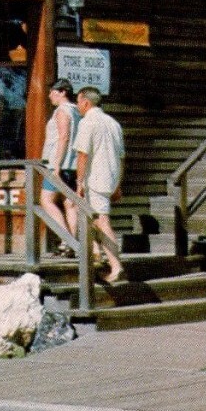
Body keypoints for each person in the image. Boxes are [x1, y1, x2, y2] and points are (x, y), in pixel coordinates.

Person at [72, 86, 127, 283]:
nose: (77, 106)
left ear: (86, 102)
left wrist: (79, 182)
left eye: (78, 102)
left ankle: (116, 266)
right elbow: (121, 158)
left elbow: (82, 154)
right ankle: (96, 253)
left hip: (95, 179)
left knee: (102, 221)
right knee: (90, 218)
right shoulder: (113, 123)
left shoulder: (88, 122)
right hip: (110, 178)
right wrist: (118, 183)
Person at [39, 78, 81, 253]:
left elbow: (64, 137)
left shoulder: (62, 111)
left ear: (63, 92)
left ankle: (67, 240)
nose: (50, 95)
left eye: (53, 92)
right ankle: (72, 244)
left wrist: (56, 165)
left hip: (60, 165)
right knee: (69, 203)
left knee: (46, 200)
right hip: (73, 165)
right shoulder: (78, 111)